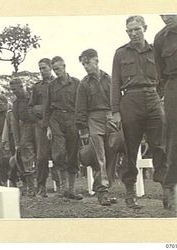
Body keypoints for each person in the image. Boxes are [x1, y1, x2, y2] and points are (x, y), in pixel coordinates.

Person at [111, 15, 167, 209]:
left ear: (145, 28)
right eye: (130, 30)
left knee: (160, 147)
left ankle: (166, 192)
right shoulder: (120, 54)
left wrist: (159, 97)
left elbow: (164, 78)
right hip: (130, 101)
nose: (133, 33)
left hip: (153, 100)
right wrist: (116, 112)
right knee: (130, 148)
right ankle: (130, 193)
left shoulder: (156, 50)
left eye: (137, 29)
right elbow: (115, 84)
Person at [76, 49, 118, 206]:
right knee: (98, 157)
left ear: (96, 60)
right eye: (83, 64)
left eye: (88, 62)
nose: (86, 66)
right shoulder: (84, 84)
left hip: (110, 118)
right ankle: (102, 192)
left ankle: (108, 189)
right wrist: (83, 130)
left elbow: (116, 100)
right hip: (93, 119)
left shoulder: (109, 79)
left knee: (112, 156)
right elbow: (80, 108)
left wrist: (116, 117)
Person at [154, 14, 177, 209]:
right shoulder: (160, 38)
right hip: (174, 87)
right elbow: (160, 72)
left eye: (168, 12)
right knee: (175, 139)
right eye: (161, 14)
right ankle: (173, 190)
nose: (165, 17)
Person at [43, 56, 83, 200]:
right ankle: (62, 188)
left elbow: (81, 105)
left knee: (73, 154)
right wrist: (47, 126)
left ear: (64, 67)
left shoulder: (77, 83)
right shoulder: (52, 86)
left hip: (72, 119)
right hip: (56, 120)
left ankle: (71, 189)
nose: (56, 72)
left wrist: (81, 124)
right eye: (54, 69)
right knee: (58, 153)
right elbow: (47, 107)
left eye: (58, 69)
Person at [29, 58, 60, 197]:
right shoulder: (37, 87)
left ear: (51, 68)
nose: (42, 71)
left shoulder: (58, 83)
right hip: (41, 126)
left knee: (58, 155)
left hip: (57, 125)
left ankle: (61, 186)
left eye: (44, 68)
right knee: (41, 158)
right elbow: (30, 108)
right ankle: (41, 187)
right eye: (40, 68)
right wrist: (39, 120)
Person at [9, 78, 36, 197]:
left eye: (15, 89)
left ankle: (43, 186)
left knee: (42, 156)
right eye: (12, 90)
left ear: (21, 86)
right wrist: (17, 142)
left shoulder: (33, 96)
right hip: (25, 129)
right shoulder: (15, 104)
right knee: (26, 158)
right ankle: (31, 187)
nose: (14, 92)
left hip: (39, 126)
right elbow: (14, 123)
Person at [0, 95, 11, 186]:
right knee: (1, 161)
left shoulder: (11, 112)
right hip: (2, 140)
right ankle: (3, 181)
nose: (0, 106)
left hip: (12, 137)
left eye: (2, 104)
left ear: (6, 103)